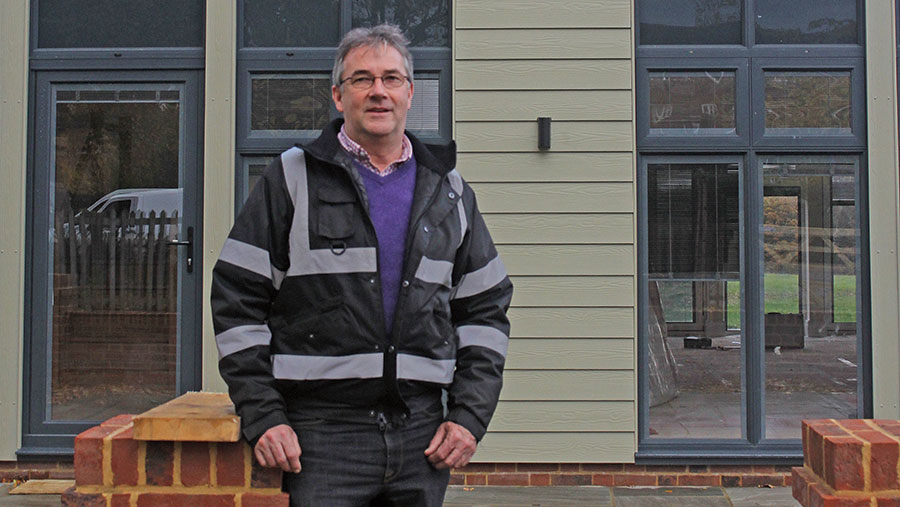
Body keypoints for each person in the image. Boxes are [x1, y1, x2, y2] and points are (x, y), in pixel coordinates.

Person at [211, 24, 512, 506]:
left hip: (422, 437)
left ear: (410, 93)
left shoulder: (448, 188)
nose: (378, 91)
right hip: (322, 437)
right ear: (337, 94)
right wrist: (264, 414)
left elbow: (485, 311)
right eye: (361, 79)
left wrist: (469, 416)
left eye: (392, 78)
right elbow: (236, 300)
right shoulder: (290, 177)